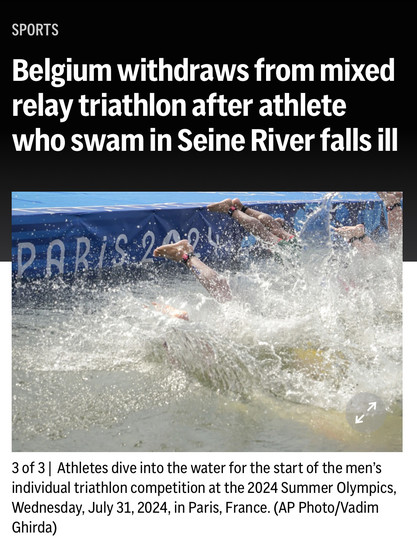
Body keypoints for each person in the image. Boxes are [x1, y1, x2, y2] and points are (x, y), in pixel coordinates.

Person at [153, 197, 374, 303]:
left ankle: (239, 208)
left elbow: (268, 221)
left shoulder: (305, 248)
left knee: (268, 226)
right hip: (301, 259)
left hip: (305, 254)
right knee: (265, 232)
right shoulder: (332, 287)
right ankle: (231, 211)